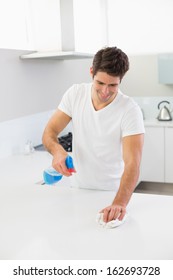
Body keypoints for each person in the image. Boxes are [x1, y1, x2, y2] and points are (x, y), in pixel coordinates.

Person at [42, 46, 145, 224]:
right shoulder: (75, 94)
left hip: (112, 194)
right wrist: (57, 151)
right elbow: (49, 133)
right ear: (91, 72)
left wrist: (119, 203)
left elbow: (132, 164)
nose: (105, 91)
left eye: (113, 85)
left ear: (121, 80)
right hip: (77, 190)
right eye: (100, 83)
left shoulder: (130, 110)